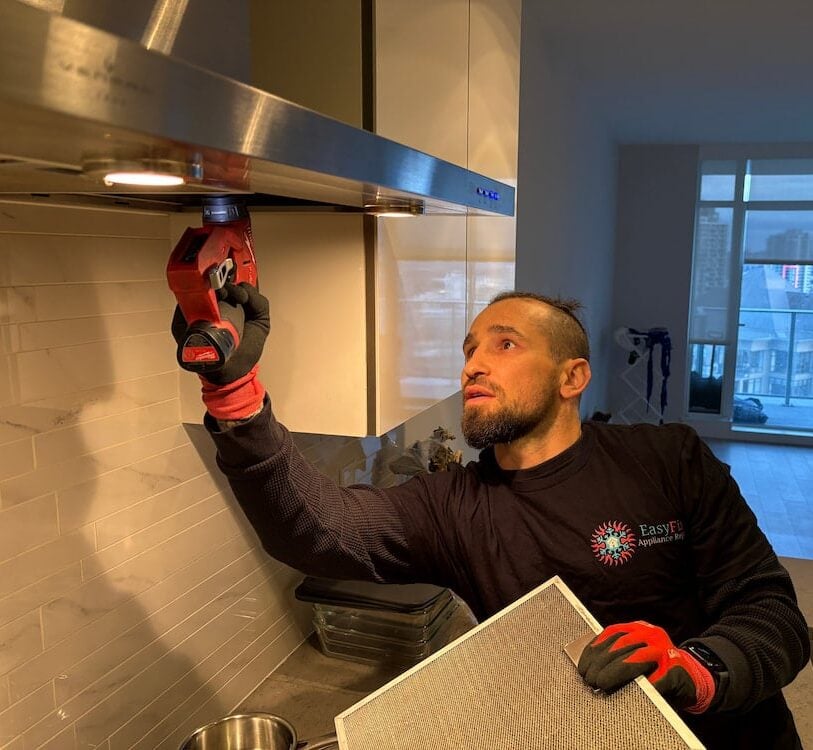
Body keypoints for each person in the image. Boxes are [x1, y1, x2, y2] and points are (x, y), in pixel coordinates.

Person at [174, 285, 810, 750]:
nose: (473, 364)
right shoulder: (452, 504)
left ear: (573, 377)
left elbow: (775, 614)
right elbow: (317, 528)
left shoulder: (670, 460)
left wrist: (694, 666)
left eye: (505, 345)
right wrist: (237, 401)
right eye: (470, 348)